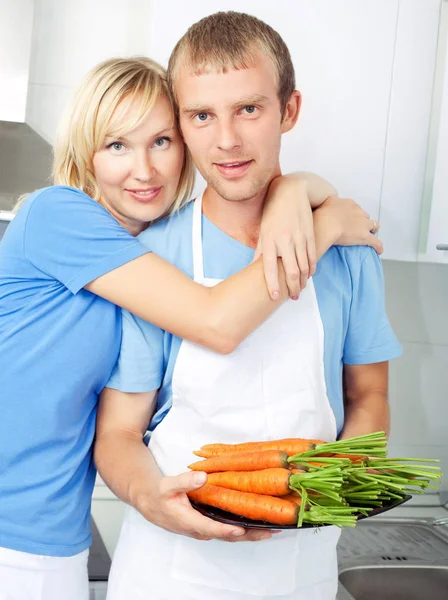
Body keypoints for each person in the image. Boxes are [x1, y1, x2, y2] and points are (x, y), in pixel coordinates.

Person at [0, 55, 379, 600]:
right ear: (85, 154)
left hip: (54, 536)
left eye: (160, 141)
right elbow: (216, 323)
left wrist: (294, 190)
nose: (144, 170)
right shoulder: (57, 215)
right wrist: (323, 226)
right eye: (116, 145)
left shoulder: (144, 254)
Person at [96, 12, 402, 600]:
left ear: (289, 110)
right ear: (181, 125)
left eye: (250, 109)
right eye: (202, 115)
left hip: (302, 573)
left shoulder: (348, 255)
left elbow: (370, 396)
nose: (227, 140)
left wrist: (344, 479)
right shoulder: (149, 259)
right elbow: (118, 434)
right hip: (169, 572)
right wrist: (150, 501)